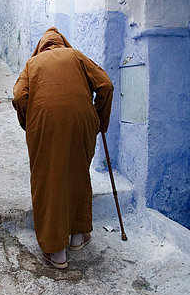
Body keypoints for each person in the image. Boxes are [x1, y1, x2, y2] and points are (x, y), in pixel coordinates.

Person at [12, 27, 114, 269]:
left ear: (42, 46)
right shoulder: (76, 55)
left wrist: (29, 121)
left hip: (45, 123)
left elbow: (18, 96)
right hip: (81, 122)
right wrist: (99, 119)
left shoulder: (32, 63)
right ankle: (78, 237)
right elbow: (106, 85)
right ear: (61, 43)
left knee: (48, 180)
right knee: (78, 173)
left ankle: (57, 252)